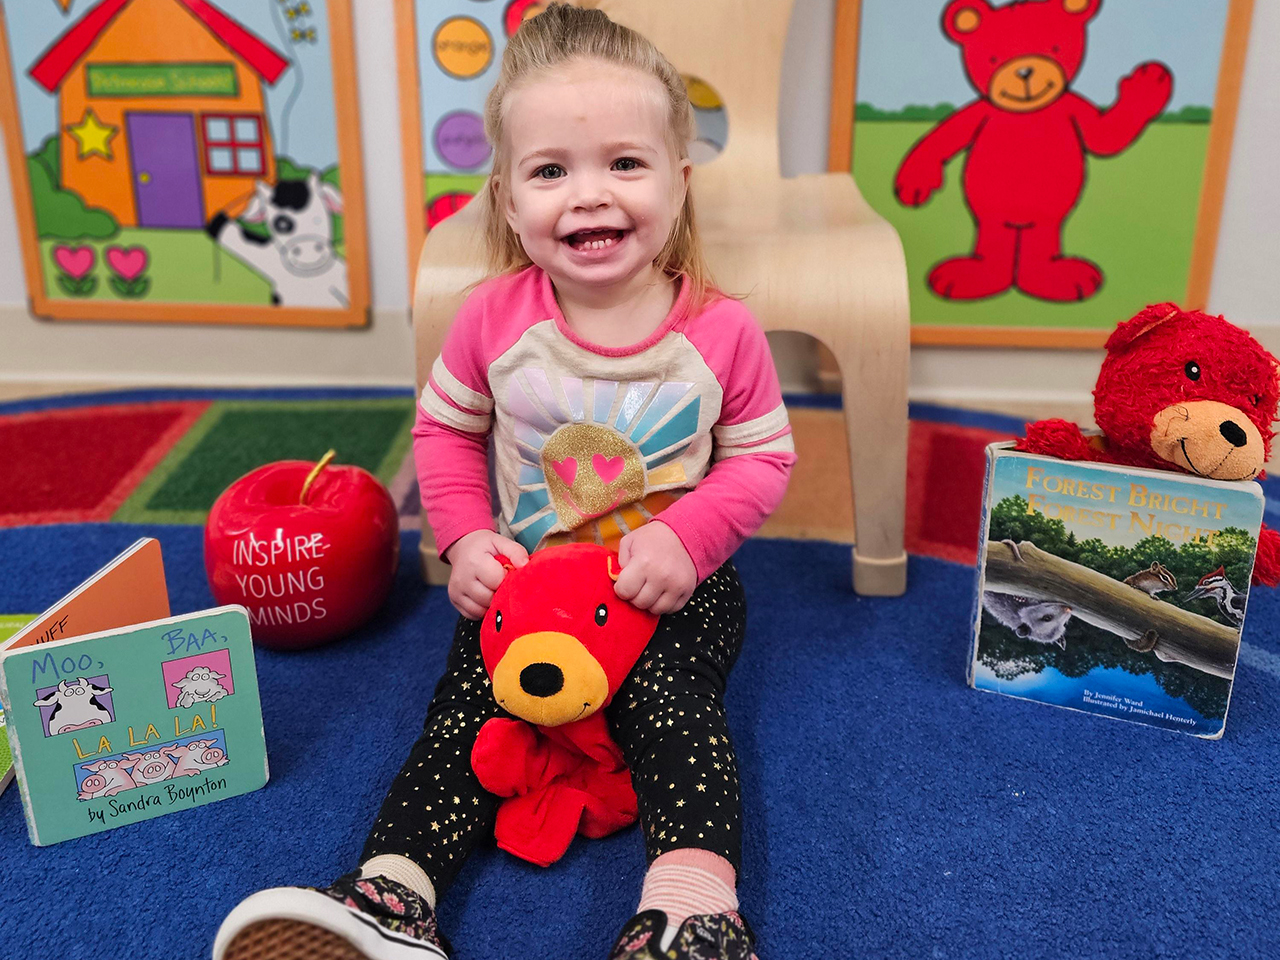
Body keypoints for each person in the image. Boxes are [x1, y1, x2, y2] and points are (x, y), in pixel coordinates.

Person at [213, 5, 794, 959]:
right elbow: (444, 433)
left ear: (679, 185)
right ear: (508, 199)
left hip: (672, 591)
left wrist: (688, 543)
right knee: (466, 711)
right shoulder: (492, 318)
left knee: (675, 713)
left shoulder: (721, 331)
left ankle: (691, 911)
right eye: (551, 170)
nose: (589, 195)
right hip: (525, 586)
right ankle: (392, 896)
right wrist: (467, 539)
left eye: (625, 163)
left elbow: (763, 460)